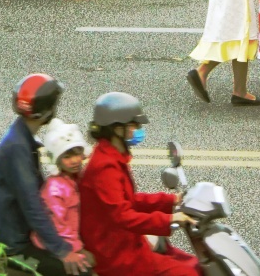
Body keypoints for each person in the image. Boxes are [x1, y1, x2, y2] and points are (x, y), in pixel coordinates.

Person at [80, 92, 198, 276]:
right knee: (187, 273)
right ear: (116, 129)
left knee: (194, 264)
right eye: (134, 125)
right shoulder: (105, 167)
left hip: (124, 242)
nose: (138, 129)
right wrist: (170, 219)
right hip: (115, 252)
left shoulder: (112, 156)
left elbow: (128, 200)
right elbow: (123, 215)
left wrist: (171, 200)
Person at [0, 74, 83, 275]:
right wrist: (62, 250)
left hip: (17, 231)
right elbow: (32, 205)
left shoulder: (23, 137)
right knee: (79, 270)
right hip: (10, 244)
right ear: (46, 110)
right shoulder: (18, 148)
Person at [38, 118, 90, 260]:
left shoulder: (77, 178)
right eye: (67, 157)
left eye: (77, 154)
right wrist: (79, 250)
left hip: (72, 240)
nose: (74, 160)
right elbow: (60, 227)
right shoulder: (54, 190)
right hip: (56, 248)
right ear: (57, 160)